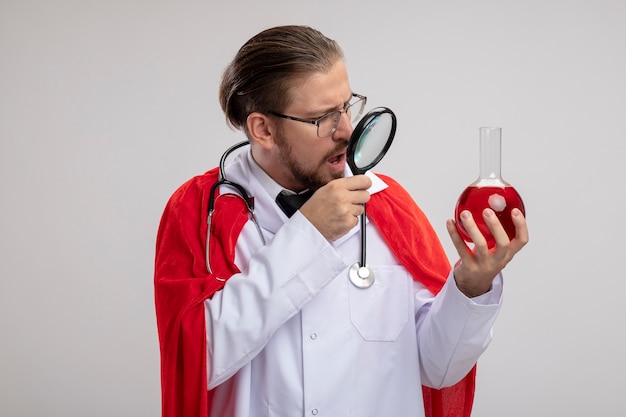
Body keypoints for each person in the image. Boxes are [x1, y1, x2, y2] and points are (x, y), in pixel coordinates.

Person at [154, 25, 528, 417]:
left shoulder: (387, 205)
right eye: (323, 119)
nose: (347, 131)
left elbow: (438, 369)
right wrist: (308, 236)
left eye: (347, 107)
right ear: (263, 129)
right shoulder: (199, 212)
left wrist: (471, 287)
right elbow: (195, 361)